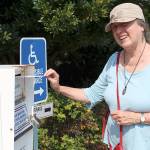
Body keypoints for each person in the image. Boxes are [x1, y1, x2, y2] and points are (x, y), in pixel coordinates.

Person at [44, 3, 150, 150]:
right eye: (114, 27)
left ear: (142, 26)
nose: (119, 31)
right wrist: (58, 87)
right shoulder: (114, 60)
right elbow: (91, 94)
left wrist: (139, 118)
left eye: (124, 24)